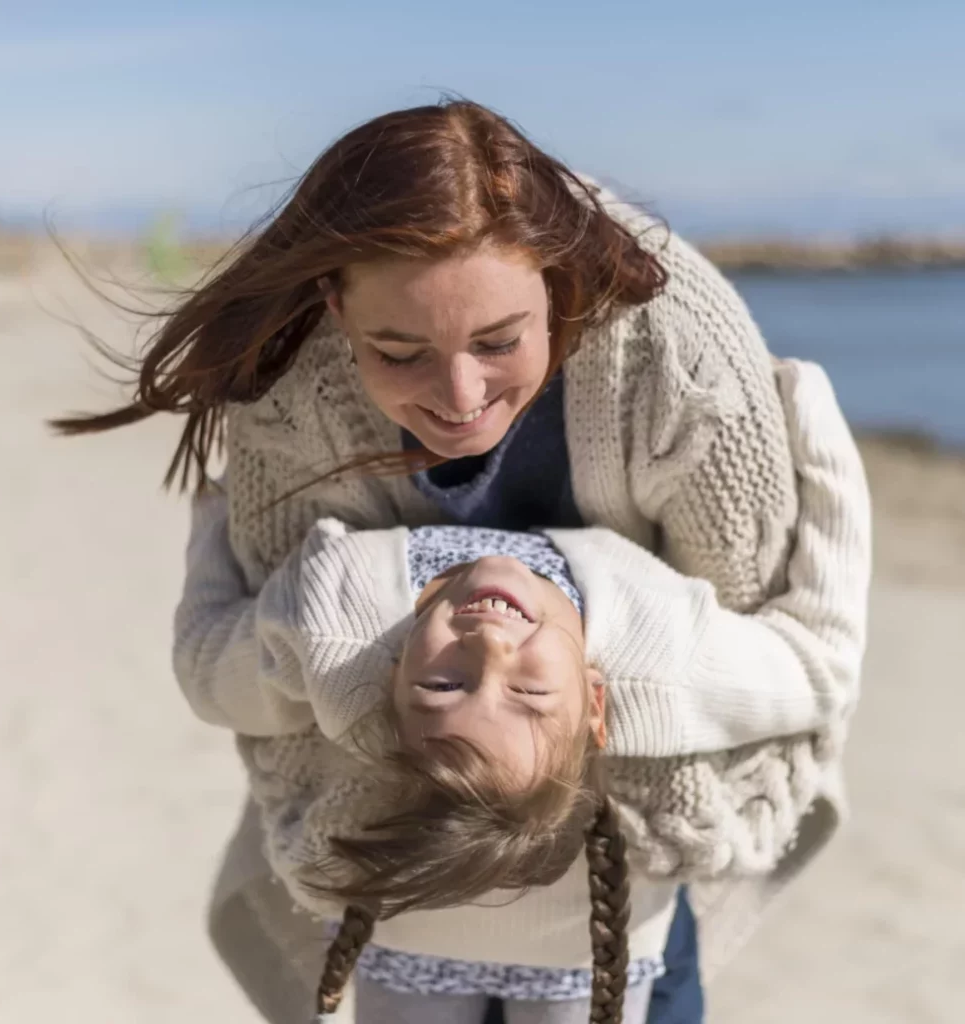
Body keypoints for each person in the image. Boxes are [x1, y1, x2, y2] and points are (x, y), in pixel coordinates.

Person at [55, 99, 872, 1024]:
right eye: (397, 351)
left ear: (559, 286)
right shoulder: (291, 385)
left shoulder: (681, 354)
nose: (458, 396)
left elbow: (765, 640)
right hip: (398, 841)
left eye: (498, 342)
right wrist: (425, 775)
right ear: (334, 306)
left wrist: (564, 807)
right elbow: (237, 674)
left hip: (627, 853)